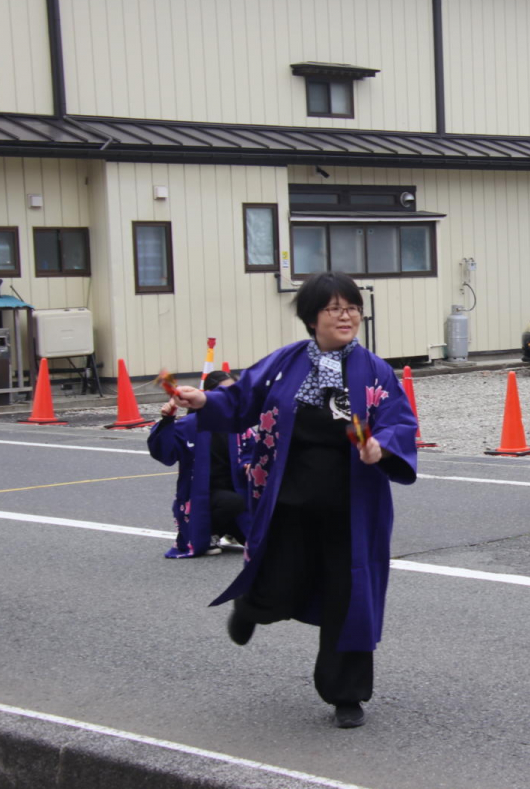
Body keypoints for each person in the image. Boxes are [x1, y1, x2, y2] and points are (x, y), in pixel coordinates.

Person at [170, 272, 418, 728]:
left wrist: (379, 447)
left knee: (350, 597)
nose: (346, 316)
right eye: (334, 308)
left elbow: (399, 422)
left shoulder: (375, 371)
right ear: (312, 317)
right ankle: (253, 607)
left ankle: (346, 695)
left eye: (352, 307)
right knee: (282, 577)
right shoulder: (284, 364)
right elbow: (241, 401)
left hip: (352, 508)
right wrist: (203, 400)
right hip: (289, 501)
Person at [148, 370, 252, 558]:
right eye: (223, 392)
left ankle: (230, 528)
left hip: (236, 490)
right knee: (234, 503)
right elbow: (165, 453)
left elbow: (251, 451)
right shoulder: (190, 425)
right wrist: (167, 420)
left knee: (263, 538)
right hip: (203, 496)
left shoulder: (238, 425)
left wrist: (249, 463)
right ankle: (213, 530)